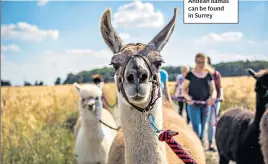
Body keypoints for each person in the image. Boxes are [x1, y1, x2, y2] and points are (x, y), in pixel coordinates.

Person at [182, 53, 217, 143]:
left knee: (203, 127)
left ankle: (200, 145)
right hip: (193, 105)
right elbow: (184, 90)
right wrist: (187, 97)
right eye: (199, 62)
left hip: (205, 106)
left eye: (203, 62)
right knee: (197, 128)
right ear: (195, 62)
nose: (201, 64)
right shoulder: (190, 75)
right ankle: (197, 145)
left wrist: (212, 98)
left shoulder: (209, 75)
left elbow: (213, 90)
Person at [206, 56, 224, 152]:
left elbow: (220, 87)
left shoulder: (216, 74)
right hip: (202, 101)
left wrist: (221, 96)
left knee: (211, 122)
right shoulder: (199, 74)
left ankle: (210, 143)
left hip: (215, 101)